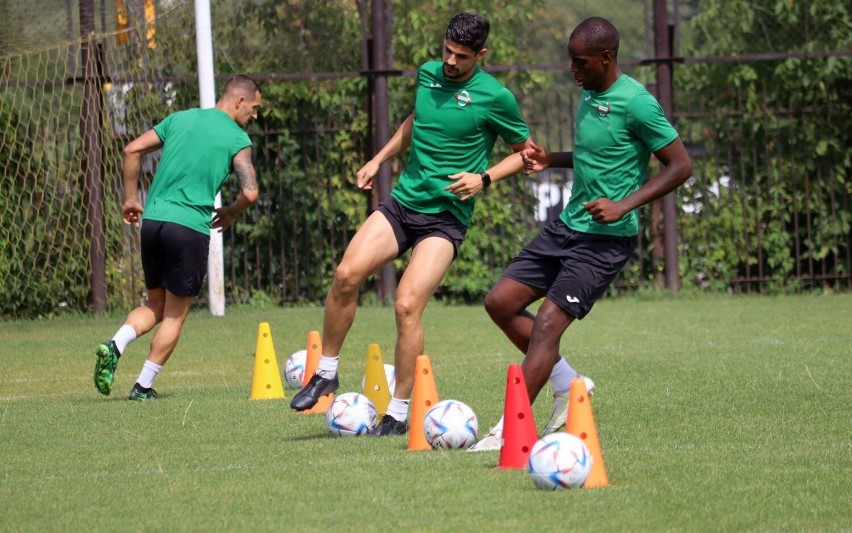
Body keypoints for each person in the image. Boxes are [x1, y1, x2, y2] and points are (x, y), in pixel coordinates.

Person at [290, 12, 549, 436]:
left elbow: (528, 154)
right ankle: (327, 372)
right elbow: (416, 122)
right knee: (345, 274)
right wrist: (378, 158)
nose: (450, 61)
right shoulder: (428, 75)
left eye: (461, 56)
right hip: (403, 203)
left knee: (407, 305)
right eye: (447, 50)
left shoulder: (494, 97)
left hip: (445, 218)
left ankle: (397, 411)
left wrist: (483, 178)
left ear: (481, 55)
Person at [468, 17, 693, 451]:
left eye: (580, 62)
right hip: (567, 226)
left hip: (606, 240)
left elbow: (681, 166)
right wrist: (552, 158)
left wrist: (624, 204)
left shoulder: (638, 103)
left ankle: (509, 430)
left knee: (549, 322)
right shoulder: (589, 93)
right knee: (500, 302)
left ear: (606, 59)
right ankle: (570, 384)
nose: (573, 70)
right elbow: (598, 156)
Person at [93, 75, 262, 400]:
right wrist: (231, 211)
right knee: (175, 314)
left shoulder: (180, 119)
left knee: (155, 304)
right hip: (188, 229)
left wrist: (130, 198)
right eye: (253, 109)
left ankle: (115, 345)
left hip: (153, 223)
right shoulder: (237, 138)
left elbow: (131, 150)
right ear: (239, 101)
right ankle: (142, 386)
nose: (254, 116)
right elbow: (251, 193)